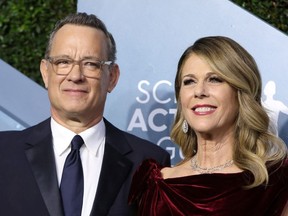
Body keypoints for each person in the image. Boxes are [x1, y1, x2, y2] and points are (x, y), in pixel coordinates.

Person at [0, 12, 170, 216]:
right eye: (63, 62)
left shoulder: (149, 162)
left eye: (91, 64)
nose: (75, 75)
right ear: (45, 72)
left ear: (112, 77)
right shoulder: (4, 153)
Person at [129, 36, 288, 215]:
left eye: (214, 79)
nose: (199, 91)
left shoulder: (275, 182)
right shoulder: (157, 184)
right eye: (189, 81)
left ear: (241, 92)